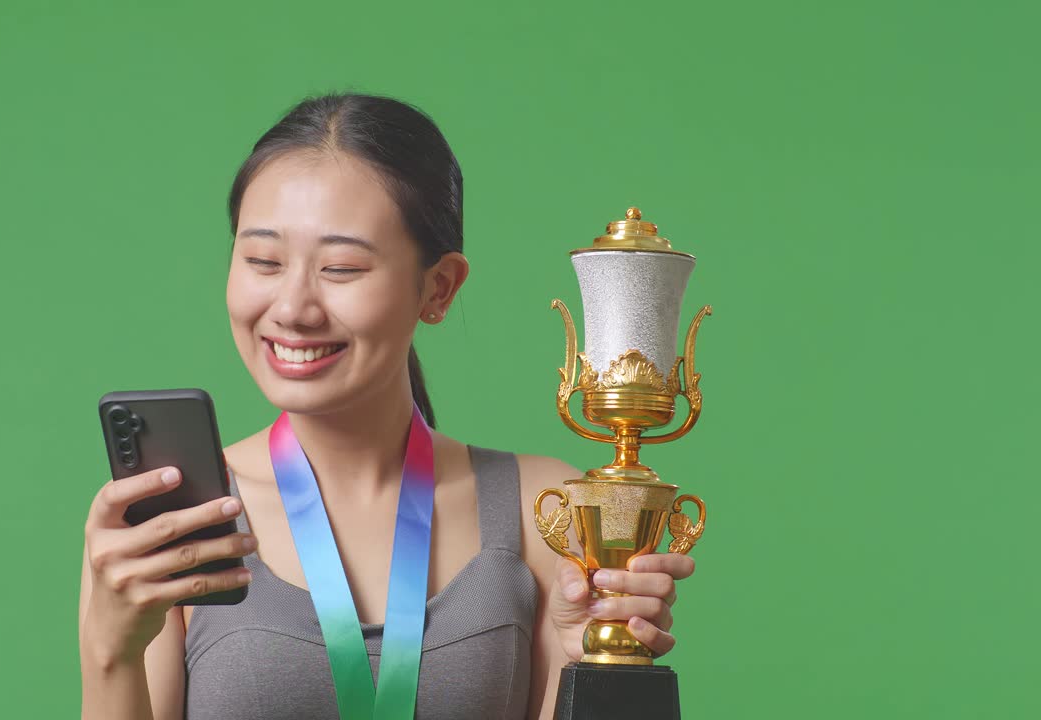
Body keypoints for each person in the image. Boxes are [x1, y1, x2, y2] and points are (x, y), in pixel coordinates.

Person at [78, 93, 696, 720]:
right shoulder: (175, 522)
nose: (293, 308)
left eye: (341, 268)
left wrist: (586, 666)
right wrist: (110, 649)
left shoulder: (553, 514)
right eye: (263, 260)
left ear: (438, 287)